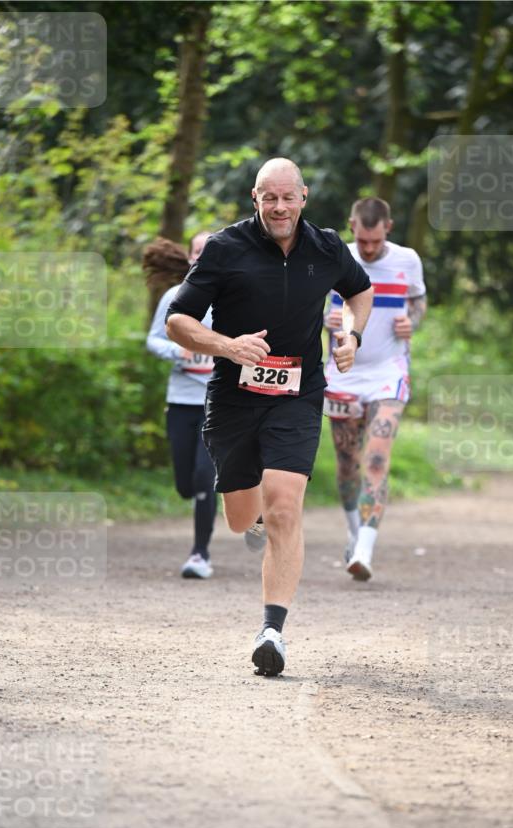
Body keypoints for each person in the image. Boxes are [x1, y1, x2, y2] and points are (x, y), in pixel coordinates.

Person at [165, 158, 373, 676]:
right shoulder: (224, 248)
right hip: (234, 398)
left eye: (288, 197)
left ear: (304, 196)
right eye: (269, 198)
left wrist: (351, 335)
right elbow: (178, 320)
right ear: (253, 198)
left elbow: (359, 291)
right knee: (242, 519)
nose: (279, 208)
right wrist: (226, 345)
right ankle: (252, 513)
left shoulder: (326, 247)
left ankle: (272, 631)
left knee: (284, 508)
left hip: (298, 395)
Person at [323, 197, 427, 581]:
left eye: (374, 241)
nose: (367, 249)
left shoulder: (407, 260)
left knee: (377, 458)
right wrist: (326, 318)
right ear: (351, 226)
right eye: (361, 240)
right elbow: (316, 307)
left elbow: (418, 301)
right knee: (347, 464)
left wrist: (411, 321)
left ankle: (365, 548)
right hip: (344, 372)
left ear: (389, 228)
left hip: (388, 368)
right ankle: (354, 535)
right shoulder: (336, 255)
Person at [144, 232, 217, 578]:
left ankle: (199, 554)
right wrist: (178, 351)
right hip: (180, 400)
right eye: (197, 252)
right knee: (185, 484)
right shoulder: (176, 297)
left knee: (206, 475)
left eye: (210, 251)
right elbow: (153, 339)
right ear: (189, 258)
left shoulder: (232, 298)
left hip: (217, 402)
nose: (202, 257)